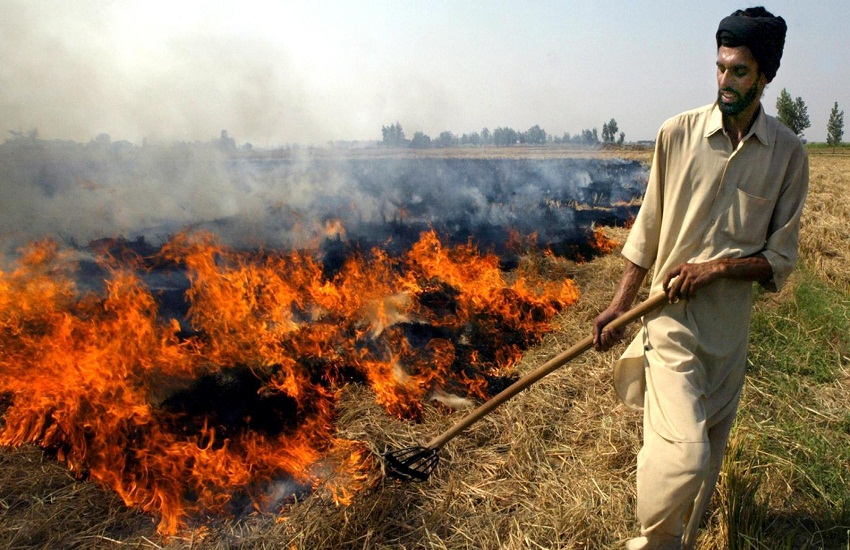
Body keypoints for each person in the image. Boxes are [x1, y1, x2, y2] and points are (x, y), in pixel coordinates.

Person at [591, 7, 808, 549]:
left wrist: (718, 268)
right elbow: (648, 227)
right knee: (683, 457)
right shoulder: (676, 134)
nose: (725, 81)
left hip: (729, 337)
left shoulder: (788, 155)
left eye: (739, 71)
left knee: (706, 465)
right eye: (720, 67)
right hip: (670, 324)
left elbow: (779, 259)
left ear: (765, 76)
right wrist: (621, 304)